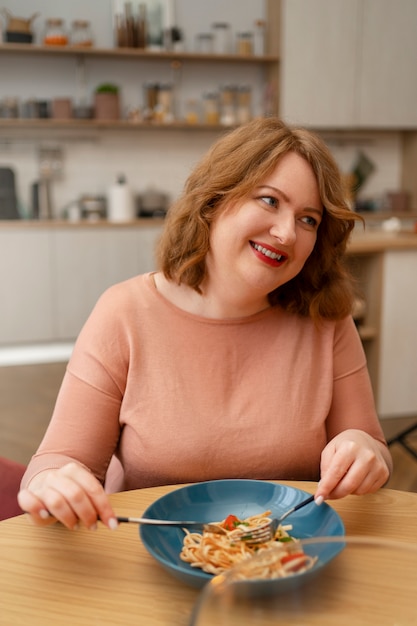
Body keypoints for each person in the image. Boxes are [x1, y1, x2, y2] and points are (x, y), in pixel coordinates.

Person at [18, 116, 392, 532]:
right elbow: (56, 461)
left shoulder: (327, 320)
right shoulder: (124, 312)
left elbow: (372, 445)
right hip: (145, 557)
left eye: (308, 219)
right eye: (269, 200)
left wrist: (364, 450)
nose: (287, 232)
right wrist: (54, 482)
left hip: (289, 560)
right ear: (213, 201)